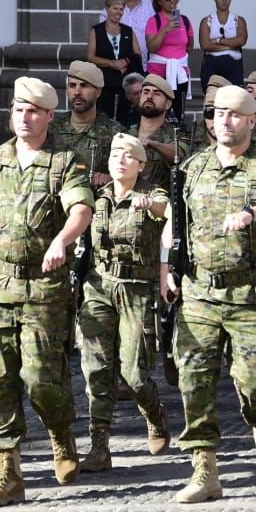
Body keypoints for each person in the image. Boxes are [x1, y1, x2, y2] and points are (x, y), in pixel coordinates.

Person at [0, 78, 95, 504]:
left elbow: (81, 208)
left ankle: (60, 432)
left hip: (43, 288)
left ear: (48, 116)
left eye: (34, 111)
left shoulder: (63, 161)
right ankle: (7, 472)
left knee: (40, 379)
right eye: (19, 109)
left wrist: (62, 240)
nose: (25, 117)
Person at [160, 85, 256, 501]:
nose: (225, 121)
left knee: (255, 381)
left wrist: (252, 214)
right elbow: (175, 222)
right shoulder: (193, 167)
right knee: (193, 380)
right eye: (219, 113)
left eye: (235, 114)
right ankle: (204, 469)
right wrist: (167, 267)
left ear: (251, 121)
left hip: (248, 291)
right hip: (198, 290)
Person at [77, 133, 172, 471]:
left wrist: (151, 207)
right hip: (99, 286)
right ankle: (99, 446)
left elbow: (166, 211)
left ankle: (154, 414)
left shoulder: (152, 193)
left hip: (137, 288)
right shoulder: (97, 198)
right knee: (96, 369)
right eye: (115, 153)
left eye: (128, 155)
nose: (120, 159)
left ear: (141, 164)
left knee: (134, 374)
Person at [50, 60, 121, 187]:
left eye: (84, 85)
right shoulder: (50, 129)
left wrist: (111, 177)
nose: (77, 92)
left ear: (98, 92)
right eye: (72, 85)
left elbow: (129, 173)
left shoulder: (115, 133)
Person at [87, 0, 139, 121]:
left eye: (121, 9)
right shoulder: (96, 30)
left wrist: (125, 62)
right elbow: (90, 57)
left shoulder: (128, 30)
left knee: (125, 119)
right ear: (107, 9)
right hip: (105, 84)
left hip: (125, 85)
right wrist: (111, 63)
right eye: (115, 8)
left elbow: (137, 55)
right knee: (104, 118)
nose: (118, 12)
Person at [145, 0, 193, 115]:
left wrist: (177, 59)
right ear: (159, 1)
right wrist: (165, 30)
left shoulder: (185, 20)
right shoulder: (154, 21)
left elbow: (190, 46)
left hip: (180, 74)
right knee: (157, 109)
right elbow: (152, 48)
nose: (172, 1)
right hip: (158, 73)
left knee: (179, 112)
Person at [129, 73, 182, 188]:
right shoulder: (125, 133)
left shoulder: (176, 136)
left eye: (156, 94)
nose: (149, 96)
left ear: (168, 104)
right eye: (146, 92)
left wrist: (154, 145)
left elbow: (180, 153)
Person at [199, 0, 247, 87]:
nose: (224, 0)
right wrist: (231, 45)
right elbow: (205, 45)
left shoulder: (239, 20)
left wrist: (218, 41)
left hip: (233, 66)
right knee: (212, 97)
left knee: (234, 99)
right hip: (212, 65)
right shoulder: (206, 21)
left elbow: (241, 40)